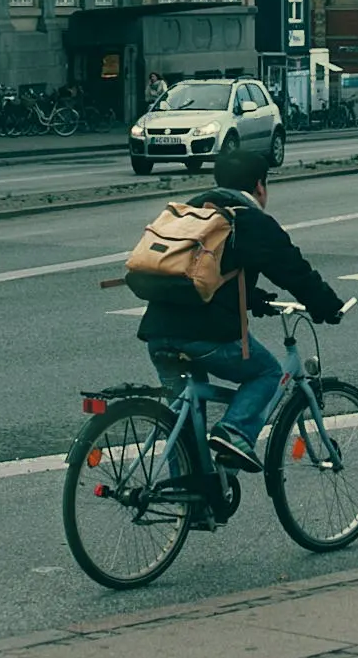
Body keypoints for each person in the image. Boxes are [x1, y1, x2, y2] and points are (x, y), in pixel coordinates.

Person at [136, 139, 344, 473]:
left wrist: (254, 297)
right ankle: (234, 433)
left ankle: (187, 499)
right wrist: (326, 307)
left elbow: (209, 275)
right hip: (206, 336)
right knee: (267, 373)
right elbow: (294, 271)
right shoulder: (249, 220)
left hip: (158, 331)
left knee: (183, 417)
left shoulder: (193, 210)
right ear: (260, 185)